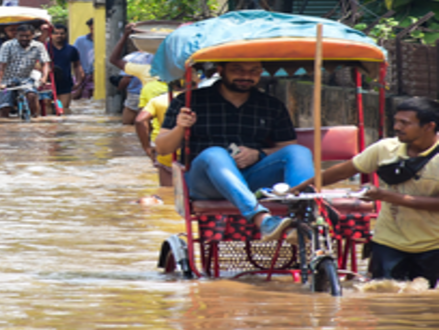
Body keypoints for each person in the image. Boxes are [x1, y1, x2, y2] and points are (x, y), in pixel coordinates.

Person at [155, 61, 314, 242]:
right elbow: (162, 148)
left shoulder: (271, 105)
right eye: (238, 70)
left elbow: (286, 147)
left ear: (260, 73)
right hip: (205, 182)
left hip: (252, 177)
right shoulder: (188, 101)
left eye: (253, 71)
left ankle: (305, 219)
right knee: (215, 153)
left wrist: (258, 154)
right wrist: (180, 127)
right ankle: (262, 219)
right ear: (220, 70)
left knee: (298, 151)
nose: (246, 76)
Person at [291, 97, 439, 288]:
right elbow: (344, 170)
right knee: (384, 298)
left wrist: (386, 196)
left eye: (405, 123)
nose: (396, 127)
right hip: (388, 240)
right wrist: (300, 188)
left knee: (426, 306)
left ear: (429, 126)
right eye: (396, 121)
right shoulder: (385, 148)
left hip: (432, 244)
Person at [0, 23, 51, 118]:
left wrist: (44, 78)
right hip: (7, 79)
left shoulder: (38, 46)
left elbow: (45, 63)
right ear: (16, 35)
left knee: (32, 96)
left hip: (26, 78)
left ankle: (35, 119)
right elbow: (1, 66)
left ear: (33, 35)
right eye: (21, 36)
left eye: (27, 36)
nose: (24, 38)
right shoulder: (7, 45)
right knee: (5, 107)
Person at [109, 24, 158, 124]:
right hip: (163, 98)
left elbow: (125, 78)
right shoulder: (174, 64)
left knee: (129, 127)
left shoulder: (136, 62)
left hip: (136, 96)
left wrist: (125, 36)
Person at [49, 23, 84, 112]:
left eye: (62, 33)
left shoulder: (72, 50)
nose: (59, 35)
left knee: (63, 110)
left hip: (66, 83)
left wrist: (79, 81)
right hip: (48, 83)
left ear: (66, 35)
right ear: (51, 35)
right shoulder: (45, 48)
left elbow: (77, 66)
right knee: (47, 111)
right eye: (56, 33)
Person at [73, 18, 95, 99]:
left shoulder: (107, 41)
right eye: (92, 28)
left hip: (96, 77)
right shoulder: (80, 40)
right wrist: (80, 70)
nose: (94, 31)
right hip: (81, 75)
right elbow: (74, 56)